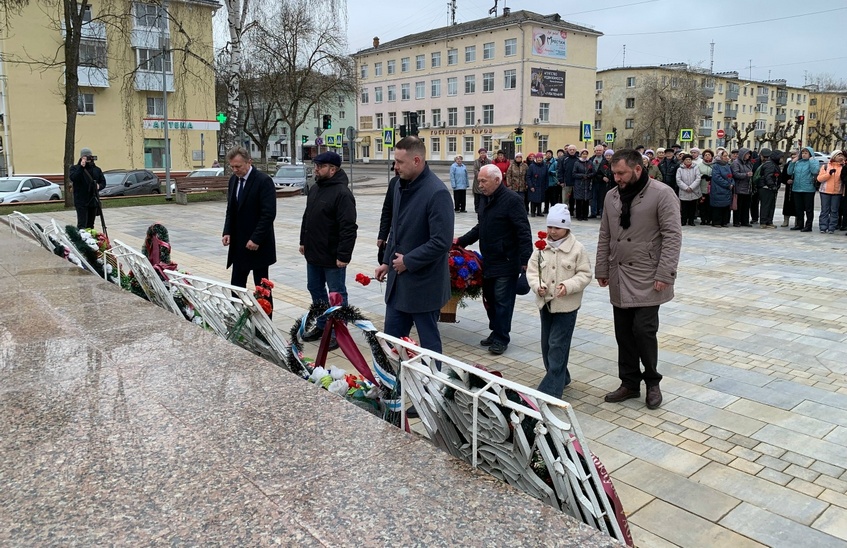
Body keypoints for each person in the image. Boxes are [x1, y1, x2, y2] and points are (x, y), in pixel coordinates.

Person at [596, 149, 682, 410]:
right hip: (619, 272)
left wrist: (665, 273)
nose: (617, 178)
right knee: (623, 333)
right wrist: (601, 268)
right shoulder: (611, 197)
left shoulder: (662, 193)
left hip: (648, 274)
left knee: (644, 331)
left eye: (621, 173)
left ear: (637, 169)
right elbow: (605, 235)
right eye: (614, 173)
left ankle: (652, 383)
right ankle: (629, 383)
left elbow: (672, 236)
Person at [374, 137, 454, 355]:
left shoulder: (436, 192)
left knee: (428, 345)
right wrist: (386, 263)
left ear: (417, 160)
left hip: (424, 286)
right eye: (395, 161)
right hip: (398, 284)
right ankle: (391, 384)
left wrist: (408, 261)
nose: (395, 167)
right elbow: (397, 230)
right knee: (390, 342)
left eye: (400, 162)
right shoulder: (399, 186)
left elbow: (441, 242)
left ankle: (433, 384)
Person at [457, 164, 532, 355]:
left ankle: (501, 338)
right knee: (489, 298)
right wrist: (461, 242)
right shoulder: (485, 199)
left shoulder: (512, 200)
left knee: (502, 300)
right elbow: (481, 226)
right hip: (489, 260)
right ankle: (495, 330)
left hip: (507, 261)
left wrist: (526, 261)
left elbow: (523, 231)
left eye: (484, 181)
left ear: (497, 180)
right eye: (479, 181)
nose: (480, 185)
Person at [527, 203, 592, 398]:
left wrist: (569, 285)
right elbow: (532, 271)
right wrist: (537, 285)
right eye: (550, 227)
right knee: (547, 344)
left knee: (557, 344)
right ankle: (562, 377)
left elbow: (585, 274)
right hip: (545, 303)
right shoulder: (540, 248)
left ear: (567, 228)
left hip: (567, 306)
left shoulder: (577, 249)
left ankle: (550, 391)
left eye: (557, 228)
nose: (552, 232)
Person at [299, 151, 358, 344]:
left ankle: (338, 333)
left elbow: (348, 227)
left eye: (320, 166)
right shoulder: (315, 188)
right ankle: (323, 325)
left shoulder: (342, 193)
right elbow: (307, 217)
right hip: (313, 252)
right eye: (315, 165)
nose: (316, 168)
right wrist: (303, 241)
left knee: (336, 293)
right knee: (314, 288)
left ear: (333, 170)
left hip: (333, 256)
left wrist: (343, 255)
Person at [221, 146, 277, 302]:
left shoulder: (263, 181)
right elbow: (231, 210)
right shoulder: (233, 180)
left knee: (262, 289)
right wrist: (227, 231)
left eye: (238, 166)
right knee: (236, 287)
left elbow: (268, 214)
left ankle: (264, 324)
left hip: (258, 245)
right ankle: (239, 319)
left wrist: (256, 239)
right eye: (232, 167)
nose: (235, 170)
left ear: (249, 162)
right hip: (239, 246)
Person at [69, 147, 106, 229]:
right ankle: (82, 239)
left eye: (90, 156)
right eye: (86, 156)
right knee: (82, 224)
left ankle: (90, 240)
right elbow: (74, 178)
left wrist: (99, 186)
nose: (88, 158)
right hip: (81, 201)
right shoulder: (75, 168)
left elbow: (103, 182)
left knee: (90, 225)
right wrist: (81, 167)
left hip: (93, 200)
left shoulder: (97, 169)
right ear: (81, 157)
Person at [787, 147, 820, 232]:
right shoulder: (798, 162)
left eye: (806, 153)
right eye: (803, 153)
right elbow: (789, 172)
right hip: (797, 188)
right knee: (799, 208)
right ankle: (799, 224)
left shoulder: (814, 162)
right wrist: (793, 162)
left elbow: (815, 171)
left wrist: (811, 161)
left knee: (809, 209)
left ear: (810, 154)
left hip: (808, 189)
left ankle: (808, 226)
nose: (804, 154)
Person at [816, 150, 844, 234]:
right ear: (834, 156)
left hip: (837, 192)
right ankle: (823, 227)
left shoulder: (843, 167)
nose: (840, 157)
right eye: (838, 155)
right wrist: (829, 174)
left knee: (834, 210)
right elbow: (819, 178)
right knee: (825, 210)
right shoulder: (825, 166)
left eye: (841, 155)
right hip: (825, 191)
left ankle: (832, 227)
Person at [757, 150, 783, 229]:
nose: (782, 160)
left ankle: (769, 221)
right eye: (781, 158)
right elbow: (768, 176)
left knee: (771, 206)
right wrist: (772, 185)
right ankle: (763, 222)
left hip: (771, 189)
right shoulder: (770, 165)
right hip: (766, 188)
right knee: (766, 205)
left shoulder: (774, 164)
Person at [731, 148, 754, 227]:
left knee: (746, 206)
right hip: (739, 188)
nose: (749, 155)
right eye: (747, 154)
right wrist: (746, 174)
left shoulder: (748, 163)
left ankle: (745, 221)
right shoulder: (736, 163)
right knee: (738, 206)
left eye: (749, 154)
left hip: (747, 188)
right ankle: (736, 221)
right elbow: (735, 174)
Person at [676, 154, 701, 226]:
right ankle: (683, 220)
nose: (688, 161)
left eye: (689, 159)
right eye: (686, 159)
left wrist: (691, 187)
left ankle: (691, 220)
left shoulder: (695, 168)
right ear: (683, 161)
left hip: (694, 190)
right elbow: (678, 180)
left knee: (692, 207)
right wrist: (686, 187)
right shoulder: (680, 169)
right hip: (684, 191)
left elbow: (698, 178)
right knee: (684, 207)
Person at [710, 149, 733, 227]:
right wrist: (727, 184)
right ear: (720, 157)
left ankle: (724, 221)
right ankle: (717, 222)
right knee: (718, 207)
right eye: (724, 156)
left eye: (727, 156)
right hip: (718, 189)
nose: (727, 157)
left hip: (727, 189)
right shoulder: (716, 166)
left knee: (725, 206)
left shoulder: (727, 165)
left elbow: (731, 176)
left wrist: (732, 183)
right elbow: (717, 177)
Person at [572, 148, 594, 221]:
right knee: (579, 200)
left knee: (586, 200)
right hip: (579, 184)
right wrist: (582, 176)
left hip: (587, 184)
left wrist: (588, 175)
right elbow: (574, 173)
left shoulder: (590, 162)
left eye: (586, 154)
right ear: (581, 155)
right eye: (583, 154)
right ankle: (579, 215)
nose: (584, 155)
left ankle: (585, 215)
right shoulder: (577, 163)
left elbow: (593, 172)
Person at [557, 145, 579, 215]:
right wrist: (561, 181)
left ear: (575, 151)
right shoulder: (563, 159)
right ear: (567, 150)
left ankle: (572, 211)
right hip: (566, 182)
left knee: (574, 199)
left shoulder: (578, 159)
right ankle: (564, 212)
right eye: (570, 150)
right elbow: (560, 170)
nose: (572, 151)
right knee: (565, 199)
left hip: (576, 183)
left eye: (573, 150)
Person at [526, 152, 547, 217]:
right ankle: (533, 211)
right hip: (534, 184)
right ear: (536, 158)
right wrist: (530, 185)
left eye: (540, 158)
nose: (539, 159)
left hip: (541, 185)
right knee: (533, 199)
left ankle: (539, 212)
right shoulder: (532, 166)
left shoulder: (544, 166)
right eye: (538, 158)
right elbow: (528, 176)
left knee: (540, 199)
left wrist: (546, 185)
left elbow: (546, 176)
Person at [780, 150, 797, 228]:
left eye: (795, 156)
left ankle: (798, 221)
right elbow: (783, 177)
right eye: (792, 156)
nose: (793, 157)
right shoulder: (787, 165)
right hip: (789, 188)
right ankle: (786, 220)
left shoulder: (800, 164)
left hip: (798, 188)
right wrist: (787, 181)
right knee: (787, 204)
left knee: (797, 205)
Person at [698, 149, 713, 225]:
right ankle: (703, 219)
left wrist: (711, 177)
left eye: (709, 155)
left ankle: (709, 218)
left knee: (710, 204)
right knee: (702, 204)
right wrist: (702, 176)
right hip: (702, 187)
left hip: (712, 187)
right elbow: (696, 174)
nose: (707, 156)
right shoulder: (699, 165)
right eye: (705, 155)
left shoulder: (714, 165)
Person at [472, 148, 490, 212]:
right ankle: (477, 208)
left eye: (484, 153)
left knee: (485, 194)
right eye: (481, 153)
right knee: (477, 195)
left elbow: (489, 169)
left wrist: (485, 177)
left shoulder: (488, 161)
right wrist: (480, 176)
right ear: (479, 154)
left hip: (486, 180)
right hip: (478, 181)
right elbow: (475, 170)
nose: (483, 154)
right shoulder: (476, 161)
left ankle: (484, 207)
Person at [544, 150, 559, 214]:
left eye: (550, 154)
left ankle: (553, 210)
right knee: (546, 198)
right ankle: (546, 209)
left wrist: (551, 172)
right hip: (546, 183)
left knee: (553, 198)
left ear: (552, 155)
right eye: (547, 154)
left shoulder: (555, 162)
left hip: (553, 183)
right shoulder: (544, 162)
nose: (548, 155)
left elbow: (557, 172)